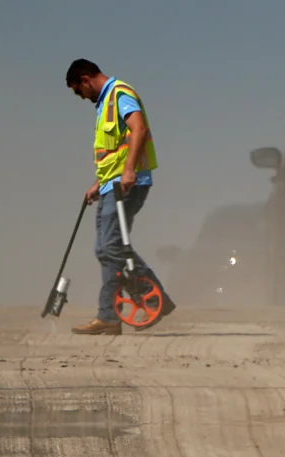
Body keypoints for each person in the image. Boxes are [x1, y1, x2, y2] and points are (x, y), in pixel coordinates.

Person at [65, 58, 175, 335]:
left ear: (86, 79)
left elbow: (138, 129)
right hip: (110, 185)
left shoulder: (119, 94)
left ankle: (153, 299)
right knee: (104, 249)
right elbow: (115, 150)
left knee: (112, 246)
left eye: (78, 90)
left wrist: (128, 172)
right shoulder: (105, 102)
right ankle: (110, 317)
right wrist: (98, 183)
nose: (80, 97)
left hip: (127, 184)